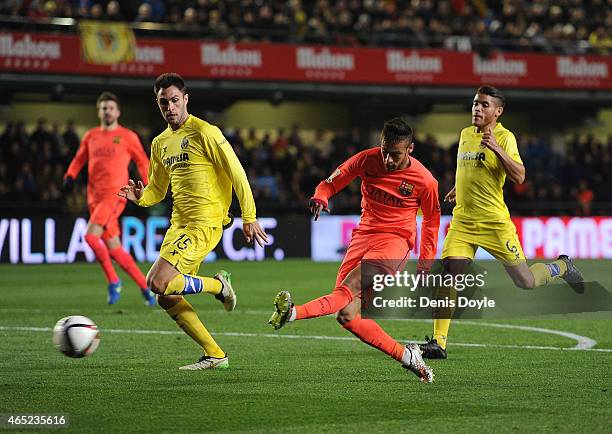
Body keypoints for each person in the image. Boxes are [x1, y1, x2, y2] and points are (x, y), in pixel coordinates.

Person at [268, 118, 440, 383]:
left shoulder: (425, 181)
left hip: (395, 242)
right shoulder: (366, 159)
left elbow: (430, 222)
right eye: (384, 151)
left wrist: (425, 265)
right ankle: (408, 356)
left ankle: (292, 313)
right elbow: (331, 181)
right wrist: (321, 197)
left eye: (395, 155)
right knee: (347, 315)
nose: (387, 160)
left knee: (347, 289)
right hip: (363, 236)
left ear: (411, 150)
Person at [420, 86, 585, 359]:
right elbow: (469, 167)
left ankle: (562, 266)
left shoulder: (505, 137)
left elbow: (519, 176)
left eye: (484, 105)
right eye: (475, 103)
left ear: (498, 111)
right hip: (463, 221)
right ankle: (439, 342)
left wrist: (496, 148)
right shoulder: (464, 134)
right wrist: (459, 188)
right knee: (449, 274)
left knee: (526, 281)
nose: (477, 108)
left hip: (494, 223)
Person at [119, 73, 269, 370]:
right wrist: (141, 198)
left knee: (157, 282)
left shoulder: (206, 132)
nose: (170, 107)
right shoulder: (160, 143)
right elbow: (158, 189)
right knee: (166, 296)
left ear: (186, 99)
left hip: (205, 222)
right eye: (164, 103)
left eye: (175, 100)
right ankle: (215, 354)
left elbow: (237, 172)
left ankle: (217, 285)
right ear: (158, 104)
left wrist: (248, 216)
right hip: (179, 225)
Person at [64, 91, 154, 306]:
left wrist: (150, 185)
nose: (107, 111)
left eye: (111, 108)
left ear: (118, 112)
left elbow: (142, 161)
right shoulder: (91, 136)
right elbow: (79, 159)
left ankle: (113, 281)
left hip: (115, 195)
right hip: (93, 196)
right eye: (104, 108)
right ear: (99, 111)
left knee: (90, 237)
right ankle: (146, 289)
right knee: (115, 248)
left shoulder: (128, 136)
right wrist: (70, 175)